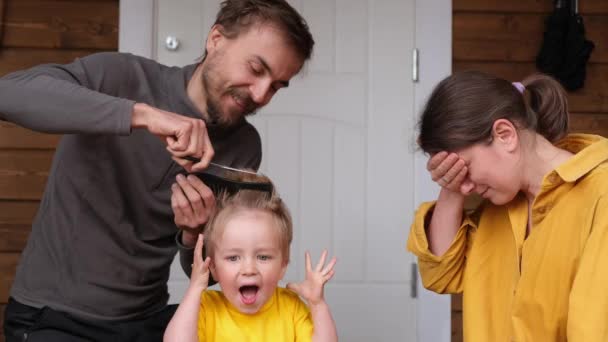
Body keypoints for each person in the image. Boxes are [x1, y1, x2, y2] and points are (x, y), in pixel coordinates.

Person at [0, 0, 314, 341]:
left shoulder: (244, 147)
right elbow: (9, 95)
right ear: (216, 40)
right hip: (54, 316)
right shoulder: (118, 76)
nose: (260, 94)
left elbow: (215, 271)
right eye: (255, 68)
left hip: (147, 319)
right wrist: (145, 116)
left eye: (276, 86)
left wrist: (193, 235)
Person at [407, 71, 608, 341]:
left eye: (463, 168)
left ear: (505, 135)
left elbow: (593, 330)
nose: (465, 187)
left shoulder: (600, 195)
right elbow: (441, 275)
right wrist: (451, 191)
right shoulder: (496, 210)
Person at [163, 179, 338, 342]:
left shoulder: (291, 307)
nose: (249, 269)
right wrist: (194, 289)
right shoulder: (206, 307)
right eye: (233, 258)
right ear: (213, 268)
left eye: (263, 257)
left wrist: (317, 304)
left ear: (283, 265)